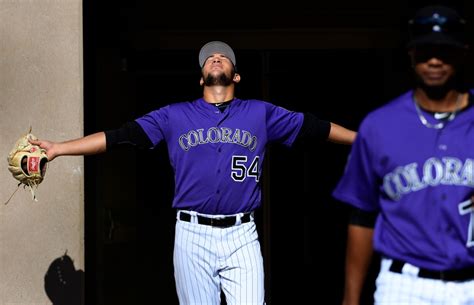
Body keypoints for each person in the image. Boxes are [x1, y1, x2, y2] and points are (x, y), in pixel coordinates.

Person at [31, 40, 356, 305]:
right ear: (201, 78)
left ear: (237, 76)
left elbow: (316, 128)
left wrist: (364, 141)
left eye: (223, 57)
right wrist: (59, 148)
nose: (215, 58)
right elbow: (119, 136)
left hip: (242, 233)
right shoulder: (174, 115)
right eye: (208, 58)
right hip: (192, 233)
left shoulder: (260, 113)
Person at [332, 5, 474, 305]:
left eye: (444, 50)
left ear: (462, 53)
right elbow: (362, 214)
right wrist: (351, 297)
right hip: (404, 285)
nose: (434, 60)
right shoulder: (379, 125)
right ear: (410, 54)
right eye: (424, 51)